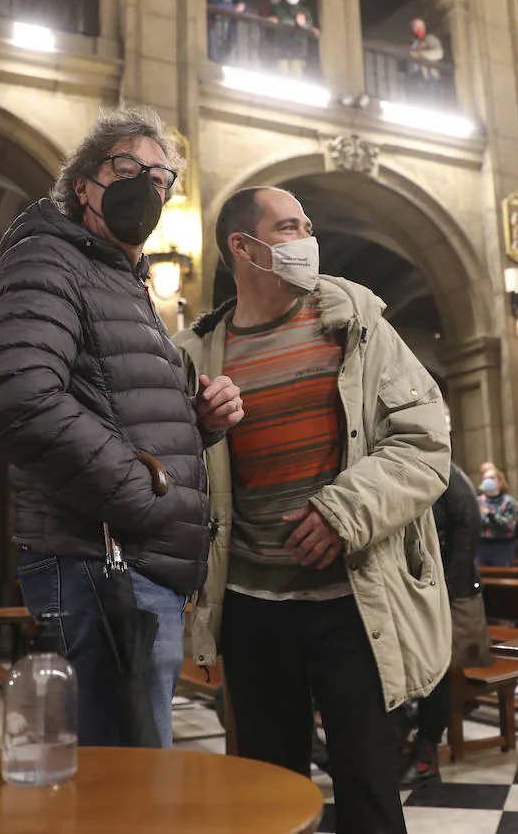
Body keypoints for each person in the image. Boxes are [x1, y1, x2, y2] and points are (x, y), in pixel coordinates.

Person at [175, 185, 450, 834]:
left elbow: (426, 443)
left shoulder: (356, 327)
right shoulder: (198, 355)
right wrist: (196, 430)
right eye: (291, 227)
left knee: (370, 788)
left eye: (307, 227)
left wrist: (342, 513)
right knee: (266, 796)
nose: (307, 240)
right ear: (244, 247)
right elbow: (162, 479)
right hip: (249, 606)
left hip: (351, 601)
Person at [0, 106, 244, 749]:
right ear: (82, 184)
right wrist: (145, 492)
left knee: (131, 775)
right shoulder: (51, 256)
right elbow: (19, 399)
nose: (145, 185)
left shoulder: (121, 281)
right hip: (98, 561)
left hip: (132, 558)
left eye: (161, 177)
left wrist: (197, 423)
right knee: (113, 786)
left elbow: (116, 407)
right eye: (127, 166)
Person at [399, 461, 490, 789]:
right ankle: (407, 742)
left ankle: (426, 756)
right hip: (412, 591)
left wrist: (443, 591)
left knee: (437, 674)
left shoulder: (449, 475)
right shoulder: (406, 468)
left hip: (447, 593)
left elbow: (468, 533)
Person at [268, 0, 318, 77]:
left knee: (297, 74)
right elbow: (282, 20)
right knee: (282, 74)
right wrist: (296, 22)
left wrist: (304, 24)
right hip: (282, 47)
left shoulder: (305, 11)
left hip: (299, 49)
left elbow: (310, 25)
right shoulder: (279, 8)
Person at [476, 468, 518, 567]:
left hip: (502, 547)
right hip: (481, 546)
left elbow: (510, 526)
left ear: (500, 482)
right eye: (485, 478)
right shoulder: (478, 501)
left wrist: (490, 515)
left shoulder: (509, 502)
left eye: (492, 478)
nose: (488, 481)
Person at [208, 0, 247, 64]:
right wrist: (235, 9)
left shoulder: (237, 1)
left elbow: (247, 9)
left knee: (225, 58)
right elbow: (216, 7)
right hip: (214, 33)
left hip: (228, 37)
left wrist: (241, 7)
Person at [407, 18, 445, 99]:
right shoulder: (413, 44)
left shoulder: (429, 39)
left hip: (427, 76)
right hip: (415, 76)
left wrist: (419, 54)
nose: (419, 29)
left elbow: (439, 53)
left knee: (428, 101)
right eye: (416, 27)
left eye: (421, 26)